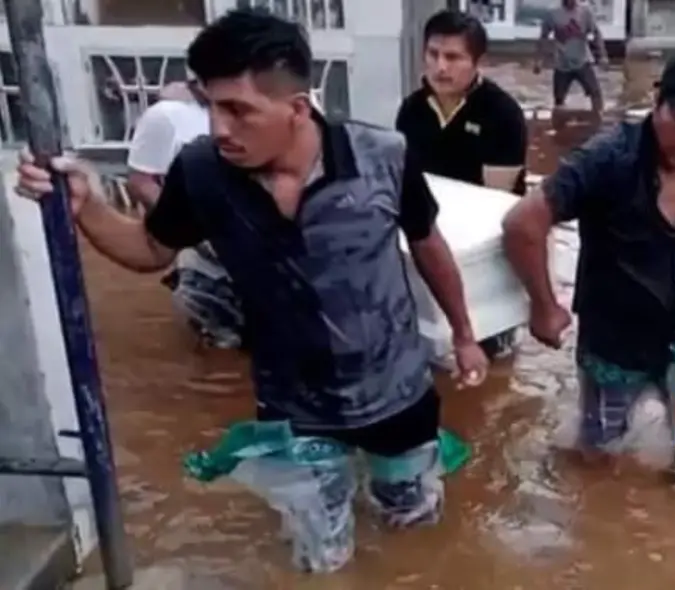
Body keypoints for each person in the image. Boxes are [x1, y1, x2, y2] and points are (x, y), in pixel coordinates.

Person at [16, 9, 488, 571]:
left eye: (238, 110)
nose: (219, 128)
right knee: (319, 554)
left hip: (397, 391)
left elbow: (427, 243)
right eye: (210, 105)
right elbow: (150, 250)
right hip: (293, 408)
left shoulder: (382, 157)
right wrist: (86, 208)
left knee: (415, 528)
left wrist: (464, 334)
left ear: (295, 107)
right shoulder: (202, 173)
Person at [502, 49, 675, 489]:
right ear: (658, 102)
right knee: (597, 454)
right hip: (614, 345)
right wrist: (543, 306)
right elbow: (523, 223)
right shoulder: (608, 159)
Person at [395, 9, 528, 359]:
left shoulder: (502, 114)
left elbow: (492, 203)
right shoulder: (411, 111)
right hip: (432, 235)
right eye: (433, 54)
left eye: (453, 57)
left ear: (477, 61)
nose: (441, 66)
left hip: (484, 253)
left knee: (494, 355)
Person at [126, 78, 243, 349]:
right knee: (219, 352)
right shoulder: (167, 116)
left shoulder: (264, 110)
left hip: (257, 255)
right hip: (205, 258)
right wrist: (186, 228)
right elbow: (141, 180)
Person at [533, 0, 609, 116]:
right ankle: (560, 128)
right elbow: (543, 37)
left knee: (596, 94)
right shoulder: (552, 13)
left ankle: (597, 120)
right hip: (562, 64)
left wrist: (602, 55)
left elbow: (596, 34)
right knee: (559, 101)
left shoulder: (585, 11)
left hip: (582, 62)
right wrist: (538, 60)